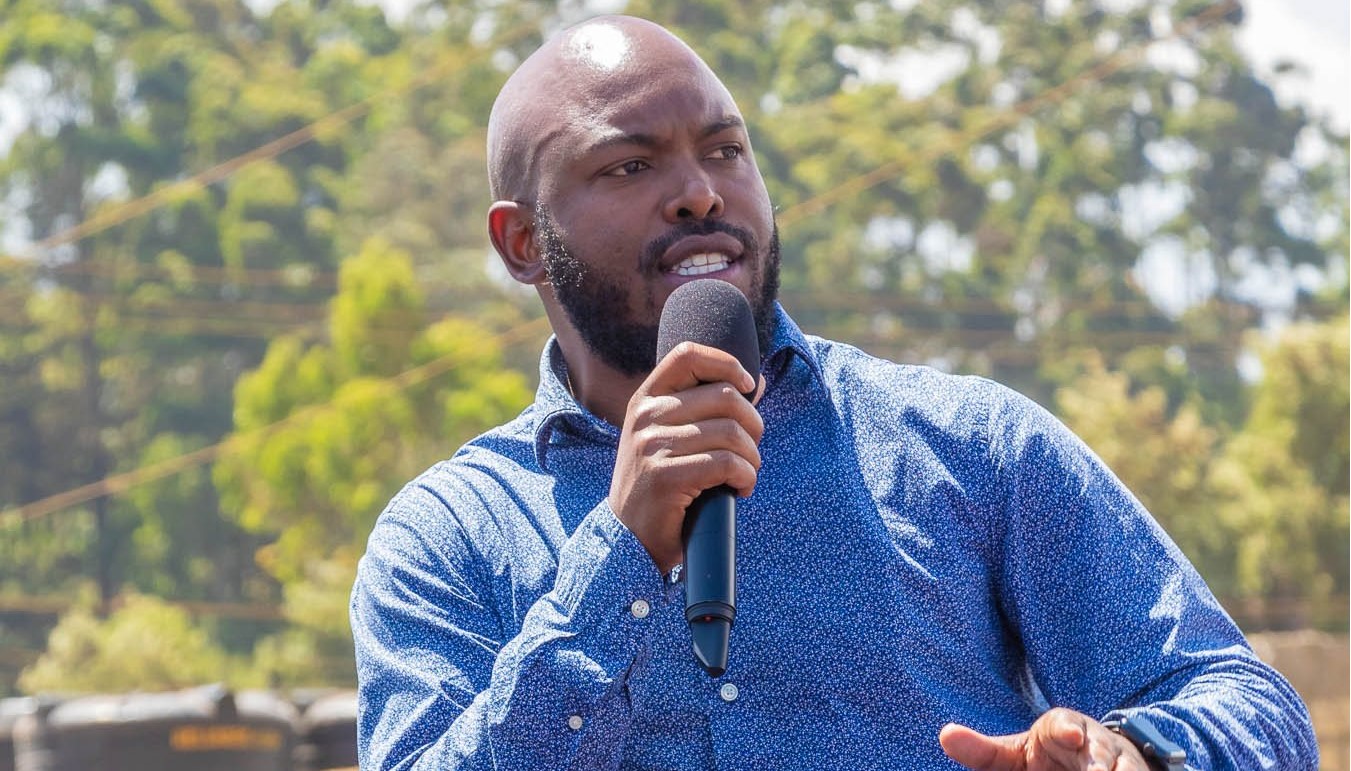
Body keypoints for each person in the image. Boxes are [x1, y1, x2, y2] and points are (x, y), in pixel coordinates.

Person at [350, 15, 1318, 771]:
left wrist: (1134, 753)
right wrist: (619, 556)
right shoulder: (445, 537)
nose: (699, 193)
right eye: (629, 165)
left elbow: (1246, 705)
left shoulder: (969, 449)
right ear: (522, 243)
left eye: (725, 150)